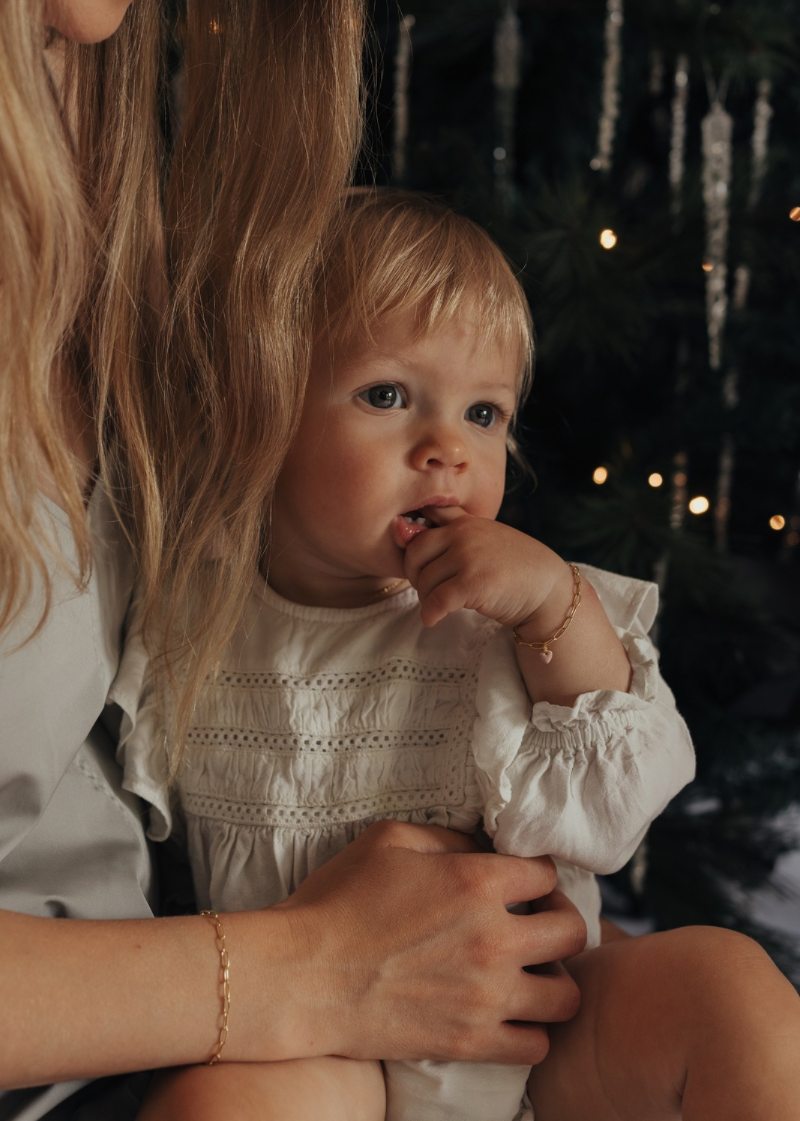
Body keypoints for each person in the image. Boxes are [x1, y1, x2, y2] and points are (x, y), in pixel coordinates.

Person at [0, 0, 587, 1119]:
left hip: (176, 1023)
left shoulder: (94, 219)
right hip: (186, 1033)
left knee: (728, 994)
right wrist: (310, 968)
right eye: (384, 395)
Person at [112, 190, 800, 1121]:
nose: (448, 449)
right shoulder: (189, 620)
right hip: (317, 1040)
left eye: (485, 413)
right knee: (220, 1106)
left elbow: (612, 811)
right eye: (387, 396)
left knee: (728, 984)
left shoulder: (506, 612)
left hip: (544, 1028)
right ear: (258, 407)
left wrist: (556, 608)